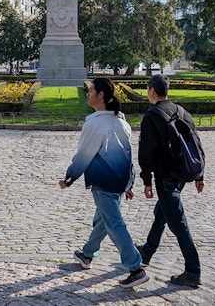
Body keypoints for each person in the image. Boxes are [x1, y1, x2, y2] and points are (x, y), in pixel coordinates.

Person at [59, 77, 149, 288]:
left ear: (101, 95)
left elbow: (84, 155)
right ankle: (87, 254)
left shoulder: (95, 123)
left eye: (91, 90)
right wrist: (130, 183)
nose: (88, 93)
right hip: (119, 180)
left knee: (114, 223)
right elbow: (128, 156)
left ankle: (135, 268)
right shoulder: (122, 122)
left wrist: (69, 178)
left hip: (104, 181)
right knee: (104, 219)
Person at [137, 74, 204, 287]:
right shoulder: (182, 111)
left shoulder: (152, 115)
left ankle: (193, 270)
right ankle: (147, 252)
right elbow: (196, 143)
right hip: (182, 175)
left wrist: (146, 180)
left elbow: (146, 152)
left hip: (165, 176)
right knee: (163, 212)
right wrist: (199, 175)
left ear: (152, 90)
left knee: (178, 223)